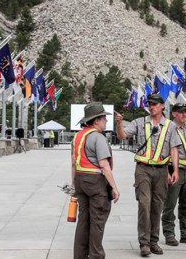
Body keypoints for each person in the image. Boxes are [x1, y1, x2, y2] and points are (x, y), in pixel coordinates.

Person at [115, 93, 181, 257]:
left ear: (163, 106)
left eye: (155, 104)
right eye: (150, 104)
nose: (152, 107)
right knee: (144, 204)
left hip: (161, 170)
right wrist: (119, 124)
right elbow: (122, 135)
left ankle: (154, 241)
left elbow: (173, 149)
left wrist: (175, 171)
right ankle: (144, 243)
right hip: (143, 169)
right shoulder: (139, 122)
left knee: (157, 206)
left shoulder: (171, 126)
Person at [72, 102, 120, 259]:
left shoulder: (78, 136)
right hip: (95, 182)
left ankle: (79, 255)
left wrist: (74, 184)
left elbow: (74, 163)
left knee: (83, 221)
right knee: (97, 221)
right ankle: (96, 255)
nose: (106, 120)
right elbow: (104, 165)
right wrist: (114, 187)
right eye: (104, 118)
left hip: (80, 179)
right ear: (96, 120)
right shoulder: (97, 137)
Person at [161, 103, 186, 246]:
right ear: (174, 114)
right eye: (181, 112)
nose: (184, 114)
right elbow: (164, 151)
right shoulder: (168, 129)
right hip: (174, 169)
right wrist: (166, 171)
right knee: (169, 205)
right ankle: (169, 234)